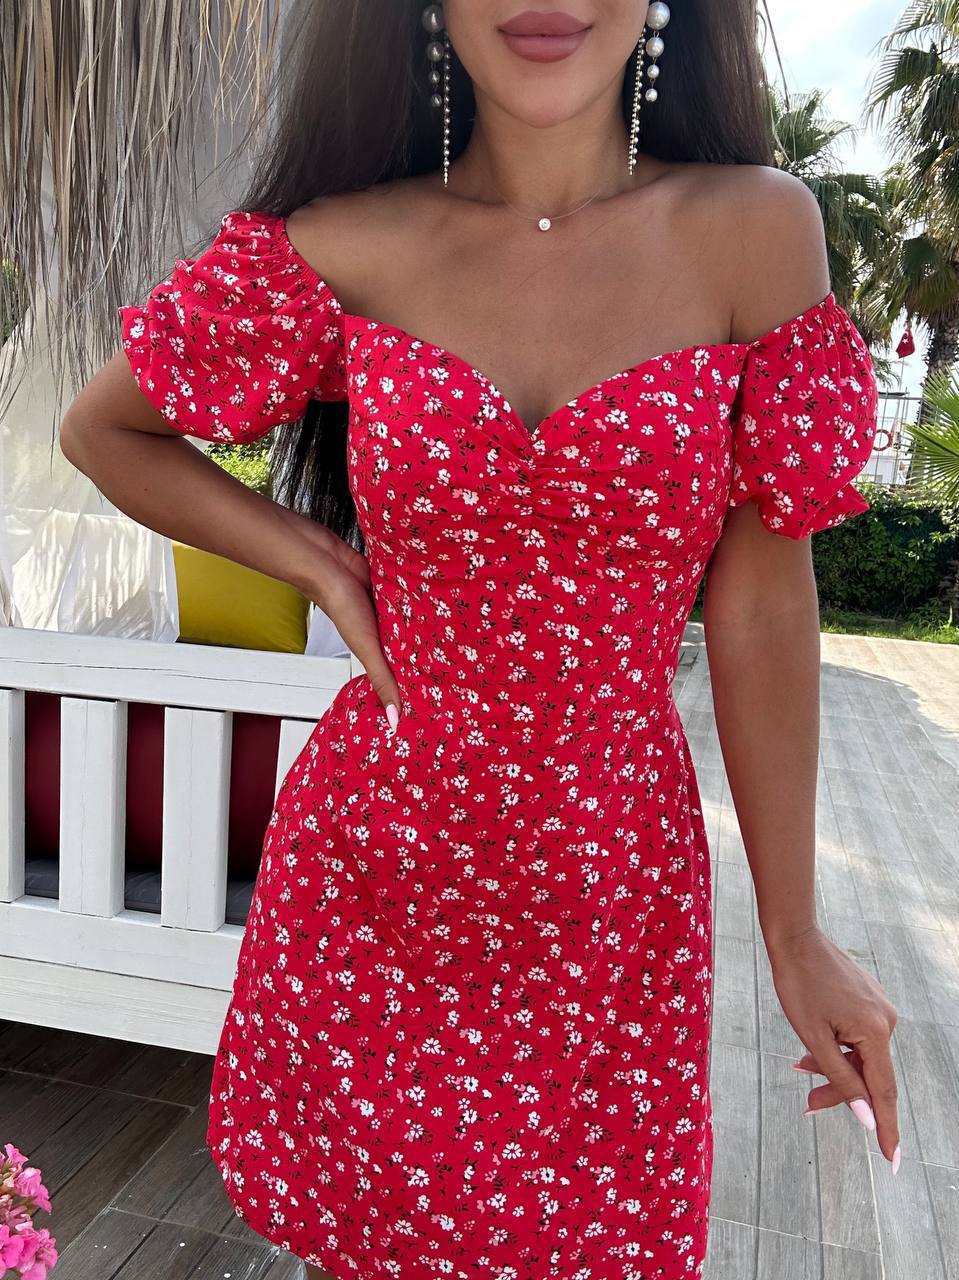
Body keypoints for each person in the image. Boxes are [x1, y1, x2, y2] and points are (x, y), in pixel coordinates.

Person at [59, 2, 901, 1276]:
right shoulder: (346, 246)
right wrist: (321, 564)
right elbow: (103, 430)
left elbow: (763, 602)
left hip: (607, 895)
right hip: (376, 869)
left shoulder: (754, 230)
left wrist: (794, 930)